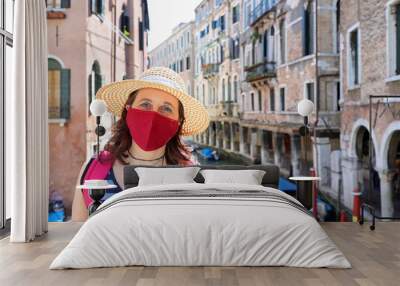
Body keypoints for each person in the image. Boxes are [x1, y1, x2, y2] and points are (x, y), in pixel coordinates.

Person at [71, 67, 209, 221]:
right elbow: (76, 234)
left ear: (178, 122)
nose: (153, 115)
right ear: (128, 110)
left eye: (166, 108)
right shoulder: (94, 170)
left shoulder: (191, 178)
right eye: (145, 104)